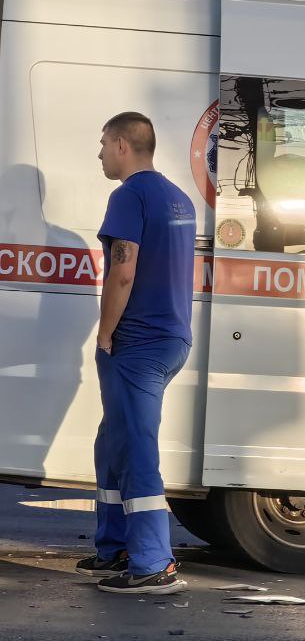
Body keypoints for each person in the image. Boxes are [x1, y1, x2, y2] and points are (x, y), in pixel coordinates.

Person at [75, 112, 196, 595]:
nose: (100, 151)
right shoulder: (177, 197)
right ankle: (117, 547)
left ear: (124, 144)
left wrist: (105, 334)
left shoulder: (128, 196)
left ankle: (153, 564)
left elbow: (122, 272)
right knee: (115, 442)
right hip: (171, 339)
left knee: (137, 449)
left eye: (104, 142)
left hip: (139, 344)